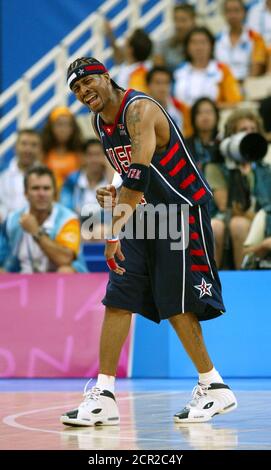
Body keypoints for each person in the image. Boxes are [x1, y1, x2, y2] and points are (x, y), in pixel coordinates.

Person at [61, 57, 237, 427]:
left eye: (88, 82)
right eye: (76, 90)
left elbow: (139, 174)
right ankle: (105, 395)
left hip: (182, 210)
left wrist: (111, 231)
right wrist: (113, 190)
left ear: (106, 77)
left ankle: (214, 386)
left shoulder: (139, 110)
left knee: (177, 305)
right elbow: (127, 174)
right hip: (146, 215)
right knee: (118, 297)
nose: (83, 92)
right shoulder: (99, 122)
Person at [0, 166, 87, 273]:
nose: (41, 194)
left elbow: (65, 259)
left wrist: (36, 231)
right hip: (21, 280)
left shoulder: (68, 219)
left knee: (66, 271)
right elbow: (2, 257)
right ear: (26, 193)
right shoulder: (11, 220)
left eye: (46, 188)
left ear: (54, 193)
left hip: (57, 283)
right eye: (35, 188)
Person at [174, 26, 242, 108]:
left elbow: (234, 103)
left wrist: (208, 110)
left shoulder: (222, 70)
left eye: (203, 42)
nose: (199, 47)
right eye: (194, 43)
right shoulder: (178, 70)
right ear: (187, 47)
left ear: (211, 45)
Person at [215, 0, 266, 84]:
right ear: (224, 14)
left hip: (247, 86)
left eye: (236, 10)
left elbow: (256, 69)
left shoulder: (256, 38)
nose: (232, 15)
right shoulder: (217, 39)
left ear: (244, 13)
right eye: (228, 11)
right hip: (222, 86)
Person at [0, 129, 42, 223]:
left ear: (40, 149)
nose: (28, 149)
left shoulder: (46, 175)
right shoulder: (2, 172)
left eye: (33, 145)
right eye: (24, 144)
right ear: (15, 147)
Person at [41, 106, 83, 192]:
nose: (63, 129)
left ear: (73, 128)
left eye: (68, 125)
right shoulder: (42, 152)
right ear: (50, 127)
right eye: (59, 124)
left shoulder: (80, 152)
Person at [146, 65, 190, 136]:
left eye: (166, 83)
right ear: (148, 85)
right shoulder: (139, 109)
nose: (162, 88)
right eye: (158, 83)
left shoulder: (180, 108)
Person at [152, 3, 196, 72]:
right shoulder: (163, 45)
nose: (179, 25)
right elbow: (158, 74)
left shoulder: (203, 45)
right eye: (176, 20)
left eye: (183, 20)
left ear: (193, 21)